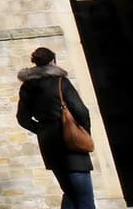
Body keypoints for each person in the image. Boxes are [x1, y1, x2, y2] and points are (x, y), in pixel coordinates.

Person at [17, 46, 96, 209]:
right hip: (70, 140)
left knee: (70, 193)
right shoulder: (60, 81)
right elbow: (80, 110)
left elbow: (22, 118)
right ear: (52, 61)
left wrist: (39, 129)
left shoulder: (27, 87)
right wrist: (84, 131)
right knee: (84, 198)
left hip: (48, 143)